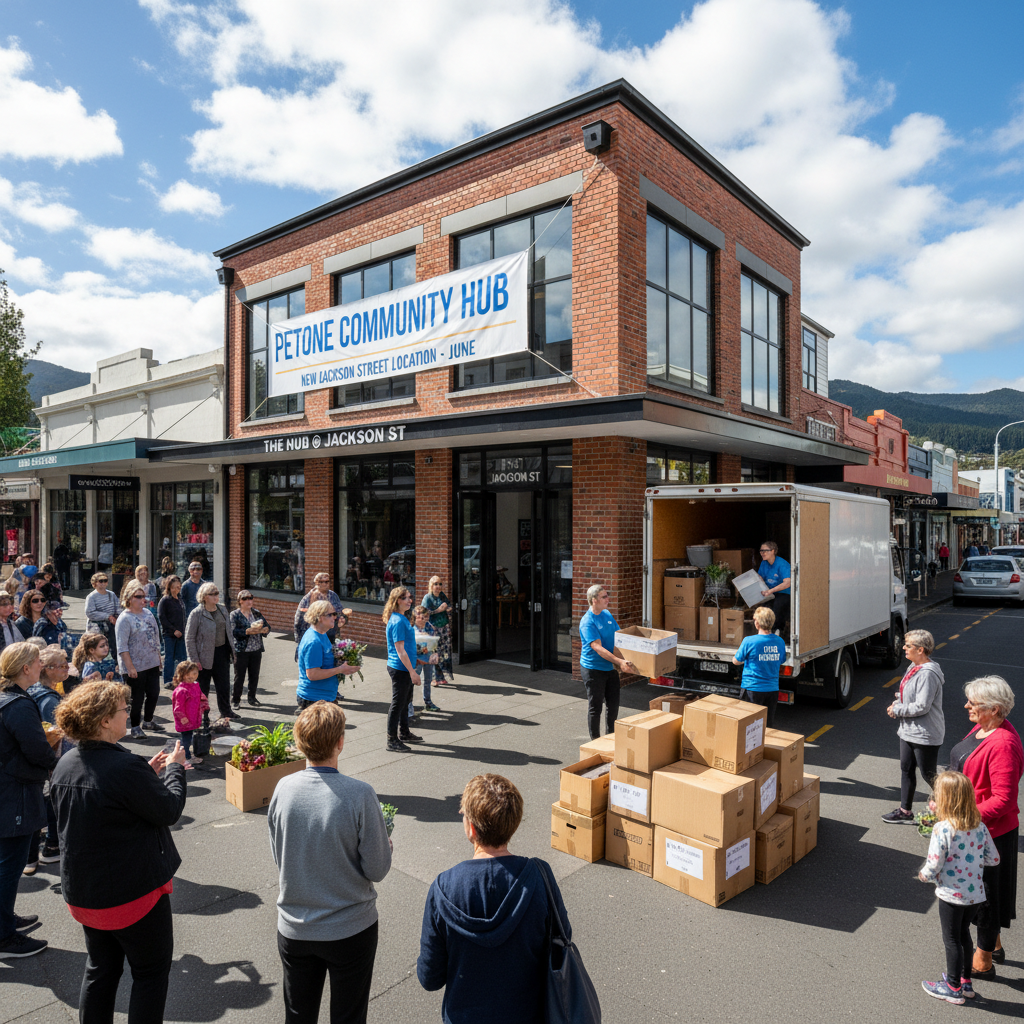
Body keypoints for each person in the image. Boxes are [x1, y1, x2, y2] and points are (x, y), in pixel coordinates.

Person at [50, 680, 187, 1021]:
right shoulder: (125, 768)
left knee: (101, 968)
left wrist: (147, 774)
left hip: (84, 893)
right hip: (130, 895)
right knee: (150, 974)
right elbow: (168, 809)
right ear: (104, 722)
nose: (129, 713)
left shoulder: (67, 762)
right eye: (123, 710)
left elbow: (103, 803)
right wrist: (174, 770)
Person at [268, 701, 392, 1024]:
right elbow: (377, 868)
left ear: (300, 743)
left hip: (295, 927)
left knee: (298, 1015)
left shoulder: (282, 789)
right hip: (350, 929)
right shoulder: (360, 794)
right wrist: (385, 845)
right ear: (340, 742)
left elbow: (280, 854)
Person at [417, 774, 573, 1024]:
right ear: (514, 824)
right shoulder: (539, 877)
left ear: (472, 828)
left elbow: (429, 978)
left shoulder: (443, 888)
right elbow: (562, 939)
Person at [948, 675, 1023, 978]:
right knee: (979, 894)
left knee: (986, 896)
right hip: (971, 827)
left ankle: (984, 959)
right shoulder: (984, 727)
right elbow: (964, 761)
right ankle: (993, 942)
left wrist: (964, 816)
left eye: (974, 703)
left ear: (995, 709)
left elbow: (1003, 800)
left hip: (988, 833)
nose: (966, 706)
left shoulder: (1004, 743)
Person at [917, 771, 1000, 1004]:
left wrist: (923, 875)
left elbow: (934, 864)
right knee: (964, 935)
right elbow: (994, 859)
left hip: (951, 895)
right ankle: (965, 982)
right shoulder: (979, 827)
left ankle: (952, 986)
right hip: (975, 894)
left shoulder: (943, 828)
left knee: (951, 939)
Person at [0, 641, 57, 958]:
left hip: (11, 788)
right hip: (15, 792)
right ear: (25, 668)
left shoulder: (10, 697)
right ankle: (4, 936)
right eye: (38, 662)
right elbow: (36, 749)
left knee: (9, 862)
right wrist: (55, 761)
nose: (42, 667)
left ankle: (5, 921)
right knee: (10, 864)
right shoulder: (18, 704)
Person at [881, 630, 945, 824]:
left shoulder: (928, 674)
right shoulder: (913, 667)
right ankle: (905, 811)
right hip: (908, 731)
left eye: (908, 645)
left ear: (921, 649)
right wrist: (898, 701)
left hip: (925, 733)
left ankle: (948, 810)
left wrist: (898, 710)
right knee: (906, 769)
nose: (903, 648)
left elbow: (922, 706)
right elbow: (907, 693)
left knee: (929, 774)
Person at [22, 645, 70, 876]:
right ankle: (47, 847)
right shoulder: (48, 698)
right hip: (50, 758)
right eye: (60, 665)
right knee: (48, 804)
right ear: (46, 670)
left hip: (41, 759)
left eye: (65, 663)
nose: (65, 668)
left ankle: (41, 850)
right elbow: (57, 731)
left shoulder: (35, 691)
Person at [578, 583, 634, 741]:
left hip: (610, 668)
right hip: (593, 669)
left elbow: (619, 637)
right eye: (604, 597)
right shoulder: (587, 622)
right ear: (594, 600)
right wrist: (619, 661)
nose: (608, 599)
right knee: (596, 707)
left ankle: (611, 738)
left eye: (607, 595)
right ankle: (595, 742)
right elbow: (597, 647)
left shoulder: (607, 614)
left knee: (613, 705)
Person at [116, 585, 164, 739]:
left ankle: (148, 721)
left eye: (143, 596)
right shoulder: (124, 618)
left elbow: (156, 637)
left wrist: (159, 658)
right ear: (129, 599)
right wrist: (129, 667)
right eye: (138, 596)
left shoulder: (149, 614)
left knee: (154, 693)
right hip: (134, 665)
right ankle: (135, 726)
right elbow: (122, 646)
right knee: (137, 698)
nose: (143, 599)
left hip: (151, 662)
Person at [184, 582, 235, 722]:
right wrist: (194, 659)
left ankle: (226, 711)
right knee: (203, 689)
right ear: (204, 597)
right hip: (203, 656)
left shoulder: (222, 609)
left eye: (217, 593)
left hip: (222, 652)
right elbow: (189, 638)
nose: (216, 597)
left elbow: (228, 631)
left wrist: (232, 651)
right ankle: (202, 715)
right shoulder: (196, 614)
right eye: (212, 594)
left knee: (224, 685)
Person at [296, 601, 359, 713]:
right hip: (315, 700)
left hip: (323, 697)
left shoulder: (322, 634)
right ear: (320, 617)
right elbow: (312, 674)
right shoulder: (313, 642)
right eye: (331, 614)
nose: (335, 618)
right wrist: (340, 669)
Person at [383, 587, 424, 752]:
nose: (410, 600)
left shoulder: (401, 618)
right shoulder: (398, 621)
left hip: (405, 667)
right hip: (401, 669)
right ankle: (392, 740)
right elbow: (400, 650)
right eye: (406, 598)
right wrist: (412, 672)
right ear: (397, 600)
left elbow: (407, 646)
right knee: (398, 704)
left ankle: (404, 733)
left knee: (405, 702)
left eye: (410, 597)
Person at [731, 606, 786, 727]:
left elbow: (736, 661)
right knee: (767, 724)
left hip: (752, 688)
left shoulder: (749, 641)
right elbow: (781, 660)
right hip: (772, 689)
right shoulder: (780, 641)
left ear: (757, 623)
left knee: (749, 725)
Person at [231, 591, 269, 709]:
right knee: (239, 676)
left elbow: (267, 626)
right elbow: (232, 631)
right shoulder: (235, 615)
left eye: (250, 598)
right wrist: (246, 632)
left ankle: (252, 697)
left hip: (256, 649)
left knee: (254, 675)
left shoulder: (256, 613)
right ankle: (235, 700)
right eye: (245, 599)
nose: (249, 601)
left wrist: (265, 630)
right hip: (241, 650)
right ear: (240, 601)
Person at [294, 574, 351, 651]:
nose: (325, 584)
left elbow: (340, 614)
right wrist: (299, 640)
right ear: (316, 583)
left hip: (331, 636)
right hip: (314, 635)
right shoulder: (308, 597)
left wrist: (344, 619)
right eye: (321, 582)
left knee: (330, 659)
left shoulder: (333, 596)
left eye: (327, 581)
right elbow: (298, 619)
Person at [171, 660, 207, 768]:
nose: (195, 675)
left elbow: (201, 696)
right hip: (186, 721)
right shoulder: (181, 691)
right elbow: (178, 709)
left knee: (188, 738)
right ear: (185, 675)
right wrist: (184, 720)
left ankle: (185, 755)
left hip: (194, 718)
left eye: (196, 673)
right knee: (186, 740)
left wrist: (204, 704)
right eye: (193, 673)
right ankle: (184, 757)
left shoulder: (195, 685)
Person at [409, 606, 442, 718]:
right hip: (417, 659)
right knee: (411, 682)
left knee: (427, 680)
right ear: (415, 616)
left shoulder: (429, 627)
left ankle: (428, 702)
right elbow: (411, 646)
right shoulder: (412, 629)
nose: (422, 617)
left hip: (427, 658)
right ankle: (408, 704)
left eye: (425, 615)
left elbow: (434, 643)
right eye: (419, 615)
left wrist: (434, 652)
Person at [421, 576, 455, 686]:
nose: (438, 586)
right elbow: (423, 613)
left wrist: (448, 608)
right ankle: (433, 678)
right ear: (431, 585)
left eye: (440, 584)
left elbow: (449, 607)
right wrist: (438, 610)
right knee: (433, 653)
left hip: (444, 628)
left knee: (443, 653)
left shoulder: (442, 595)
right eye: (436, 584)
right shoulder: (428, 598)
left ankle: (441, 676)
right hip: (433, 628)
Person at [756, 540, 791, 636]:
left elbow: (787, 583)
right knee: (762, 607)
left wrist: (770, 591)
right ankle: (763, 630)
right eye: (761, 550)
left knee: (777, 606)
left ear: (773, 551)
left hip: (784, 592)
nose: (762, 553)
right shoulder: (764, 563)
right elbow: (760, 577)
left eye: (765, 550)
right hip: (770, 592)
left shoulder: (782, 564)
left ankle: (777, 630)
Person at [158, 575, 186, 690]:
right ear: (169, 587)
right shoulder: (165, 600)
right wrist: (173, 630)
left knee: (182, 658)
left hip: (181, 634)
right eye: (174, 587)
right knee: (169, 658)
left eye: (178, 587)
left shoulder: (180, 599)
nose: (176, 589)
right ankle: (168, 680)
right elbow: (162, 617)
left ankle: (181, 679)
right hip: (170, 634)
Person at [85, 573, 119, 645]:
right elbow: (90, 613)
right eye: (101, 581)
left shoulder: (111, 594)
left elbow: (118, 608)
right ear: (95, 583)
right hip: (97, 627)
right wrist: (108, 617)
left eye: (105, 581)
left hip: (111, 626)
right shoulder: (91, 597)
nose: (103, 583)